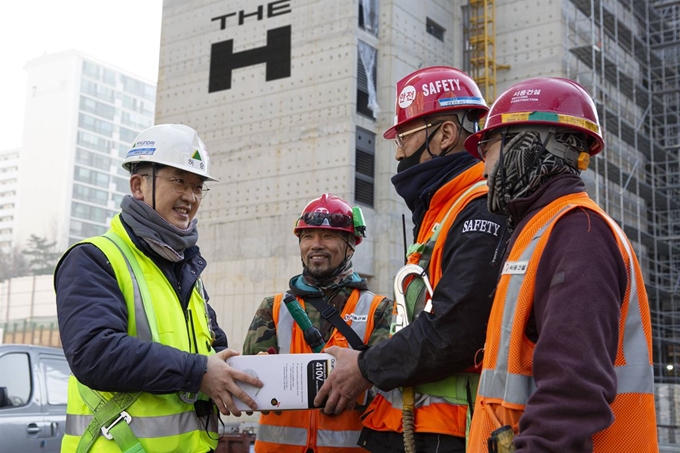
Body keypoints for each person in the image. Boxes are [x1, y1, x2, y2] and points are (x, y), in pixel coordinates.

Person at [315, 66, 508, 453]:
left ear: (446, 135)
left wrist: (365, 367)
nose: (400, 152)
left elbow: (455, 329)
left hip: (449, 434)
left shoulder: (479, 210)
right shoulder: (443, 211)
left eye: (404, 137)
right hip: (413, 428)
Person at [462, 77, 658, 452]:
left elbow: (573, 391)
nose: (482, 162)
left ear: (530, 144)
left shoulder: (577, 234)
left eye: (488, 145)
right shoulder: (545, 229)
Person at [55, 124, 263, 453]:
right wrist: (199, 371)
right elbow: (94, 353)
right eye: (179, 181)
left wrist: (230, 368)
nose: (191, 197)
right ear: (138, 185)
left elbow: (210, 347)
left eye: (198, 186)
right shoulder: (95, 259)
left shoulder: (187, 268)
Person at [242, 193, 394, 453]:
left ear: (350, 244)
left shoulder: (379, 309)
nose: (315, 245)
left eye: (328, 236)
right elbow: (249, 385)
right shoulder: (274, 308)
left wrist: (358, 381)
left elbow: (388, 385)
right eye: (308, 236)